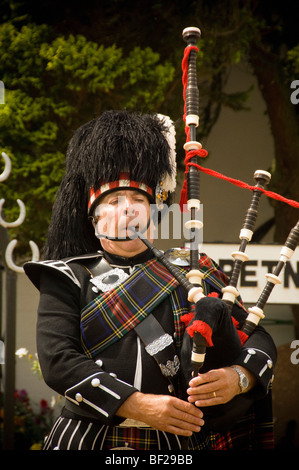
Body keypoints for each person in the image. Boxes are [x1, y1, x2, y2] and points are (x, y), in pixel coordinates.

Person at [24, 110, 276, 450]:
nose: (128, 209)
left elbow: (258, 337)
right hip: (89, 437)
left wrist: (239, 378)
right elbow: (58, 361)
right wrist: (137, 404)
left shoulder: (194, 272)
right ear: (93, 218)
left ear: (157, 214)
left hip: (175, 444)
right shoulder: (67, 276)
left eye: (139, 200)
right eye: (114, 201)